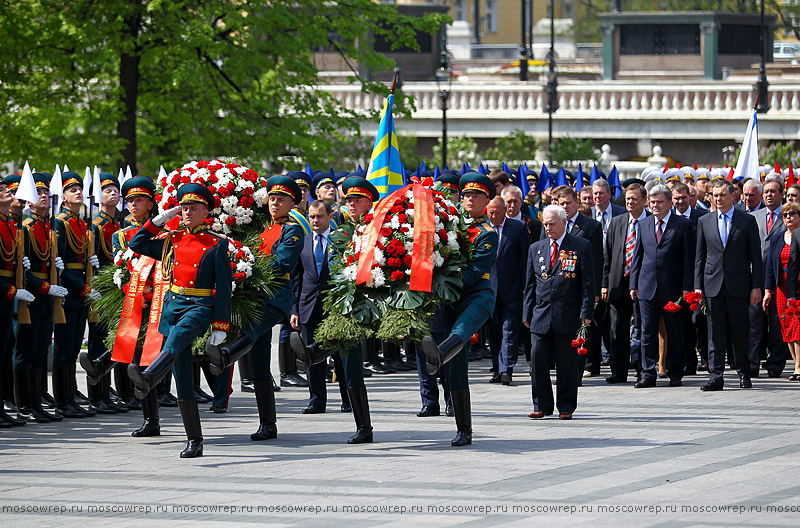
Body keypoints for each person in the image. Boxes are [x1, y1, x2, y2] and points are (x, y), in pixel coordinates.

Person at [127, 182, 231, 457]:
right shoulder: (171, 239)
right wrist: (159, 220)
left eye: (193, 208)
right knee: (182, 376)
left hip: (198, 305)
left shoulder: (217, 244)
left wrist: (221, 325)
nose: (186, 212)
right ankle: (194, 440)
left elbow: (223, 287)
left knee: (173, 342)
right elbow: (136, 243)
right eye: (183, 207)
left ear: (205, 211)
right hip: (173, 306)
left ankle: (148, 376)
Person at [204, 175, 303, 442]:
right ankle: (267, 424)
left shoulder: (293, 230)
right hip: (255, 296)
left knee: (254, 327)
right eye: (272, 198)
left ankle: (225, 356)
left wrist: (248, 269)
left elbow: (281, 264)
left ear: (292, 203)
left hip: (276, 297)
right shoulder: (259, 229)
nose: (275, 203)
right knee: (259, 362)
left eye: (281, 199)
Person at [81, 175, 165, 436]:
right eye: (129, 200)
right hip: (135, 301)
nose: (132, 205)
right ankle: (150, 420)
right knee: (139, 361)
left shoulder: (167, 232)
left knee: (159, 357)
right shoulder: (122, 235)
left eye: (139, 200)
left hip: (162, 300)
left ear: (151, 204)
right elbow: (121, 267)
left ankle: (102, 364)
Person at [422, 172, 498, 446]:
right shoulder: (450, 227)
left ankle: (438, 354)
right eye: (466, 194)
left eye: (476, 195)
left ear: (487, 200)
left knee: (461, 330)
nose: (469, 199)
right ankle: (463, 429)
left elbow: (474, 272)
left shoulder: (487, 234)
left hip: (476, 297)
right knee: (456, 370)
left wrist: (437, 278)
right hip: (451, 299)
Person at [524, 205, 594, 420]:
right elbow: (529, 284)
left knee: (567, 364)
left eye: (552, 224)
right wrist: (526, 313)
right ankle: (542, 405)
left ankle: (566, 406)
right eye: (545, 224)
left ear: (564, 222)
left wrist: (586, 311)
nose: (548, 228)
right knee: (538, 361)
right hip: (541, 314)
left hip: (568, 314)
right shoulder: (536, 248)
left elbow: (587, 283)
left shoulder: (580, 246)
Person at [695, 180, 762, 391]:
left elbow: (756, 258)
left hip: (739, 284)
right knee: (715, 332)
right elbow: (700, 256)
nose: (718, 199)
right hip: (713, 284)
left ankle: (744, 373)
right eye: (715, 195)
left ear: (732, 195)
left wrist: (756, 286)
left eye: (722, 195)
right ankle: (716, 376)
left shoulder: (746, 220)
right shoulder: (705, 221)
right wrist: (698, 286)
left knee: (740, 331)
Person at [630, 184, 695, 387]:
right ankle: (648, 373)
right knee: (647, 331)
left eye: (659, 202)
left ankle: (675, 372)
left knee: (674, 331)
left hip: (672, 288)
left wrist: (687, 287)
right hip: (647, 286)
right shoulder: (644, 224)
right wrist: (633, 283)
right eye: (652, 202)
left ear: (669, 202)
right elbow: (637, 256)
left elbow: (688, 260)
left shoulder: (683, 225)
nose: (655, 205)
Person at [290, 200, 350, 414]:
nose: (315, 221)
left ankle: (348, 398)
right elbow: (296, 278)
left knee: (340, 356)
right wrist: (294, 310)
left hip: (334, 307)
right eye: (312, 216)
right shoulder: (303, 242)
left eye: (319, 216)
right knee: (311, 356)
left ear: (330, 216)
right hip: (308, 306)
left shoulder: (340, 241)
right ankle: (316, 400)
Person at [53, 172, 101, 418]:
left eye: (80, 189)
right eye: (72, 190)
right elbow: (60, 262)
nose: (78, 192)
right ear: (63, 196)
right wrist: (83, 288)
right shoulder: (60, 222)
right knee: (63, 349)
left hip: (82, 289)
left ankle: (70, 397)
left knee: (72, 349)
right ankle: (62, 400)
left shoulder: (82, 222)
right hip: (71, 291)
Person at [554, 186, 602, 378]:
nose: (565, 206)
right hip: (557, 288)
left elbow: (598, 260)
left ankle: (577, 371)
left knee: (580, 330)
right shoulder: (551, 223)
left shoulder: (591, 226)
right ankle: (562, 370)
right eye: (561, 203)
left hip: (581, 286)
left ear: (577, 203)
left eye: (568, 203)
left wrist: (596, 289)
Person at [602, 183, 648, 384]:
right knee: (617, 329)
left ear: (645, 201)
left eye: (634, 199)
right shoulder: (617, 222)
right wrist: (604, 284)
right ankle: (618, 370)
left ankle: (642, 369)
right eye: (627, 199)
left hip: (643, 284)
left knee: (641, 328)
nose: (630, 202)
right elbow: (607, 256)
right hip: (618, 283)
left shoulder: (650, 223)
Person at [0, 176, 35, 427]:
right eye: (0, 189)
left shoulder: (11, 225)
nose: (5, 190)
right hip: (3, 294)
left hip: (6, 297)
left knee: (4, 355)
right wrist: (12, 291)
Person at [85, 173, 121, 415]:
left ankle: (106, 393)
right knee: (98, 343)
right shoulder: (97, 225)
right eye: (107, 190)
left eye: (115, 190)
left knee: (110, 341)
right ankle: (96, 395)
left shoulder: (115, 225)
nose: (113, 193)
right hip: (101, 290)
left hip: (114, 288)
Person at [485, 196, 529, 385]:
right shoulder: (483, 229)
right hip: (489, 291)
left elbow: (526, 260)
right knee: (493, 332)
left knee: (509, 330)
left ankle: (506, 370)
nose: (493, 216)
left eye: (496, 212)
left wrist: (526, 288)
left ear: (504, 211)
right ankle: (496, 368)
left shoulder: (517, 228)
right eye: (490, 213)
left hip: (512, 289)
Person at [748, 175, 788, 378]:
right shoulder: (754, 217)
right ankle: (752, 364)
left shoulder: (789, 216)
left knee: (777, 324)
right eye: (766, 192)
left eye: (773, 191)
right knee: (754, 323)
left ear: (782, 193)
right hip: (757, 278)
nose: (769, 195)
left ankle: (775, 364)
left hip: (780, 280)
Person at [672, 181, 709, 374]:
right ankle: (687, 360)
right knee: (683, 323)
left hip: (699, 277)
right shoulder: (667, 218)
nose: (680, 202)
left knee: (699, 321)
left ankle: (705, 358)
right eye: (676, 198)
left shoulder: (702, 218)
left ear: (691, 198)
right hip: (675, 279)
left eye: (684, 198)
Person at [764, 202, 800, 381]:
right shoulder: (777, 238)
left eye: (792, 214)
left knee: (797, 327)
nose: (787, 218)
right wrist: (768, 290)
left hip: (797, 287)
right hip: (781, 288)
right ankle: (796, 363)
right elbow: (771, 266)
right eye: (784, 215)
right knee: (786, 329)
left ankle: (799, 367)